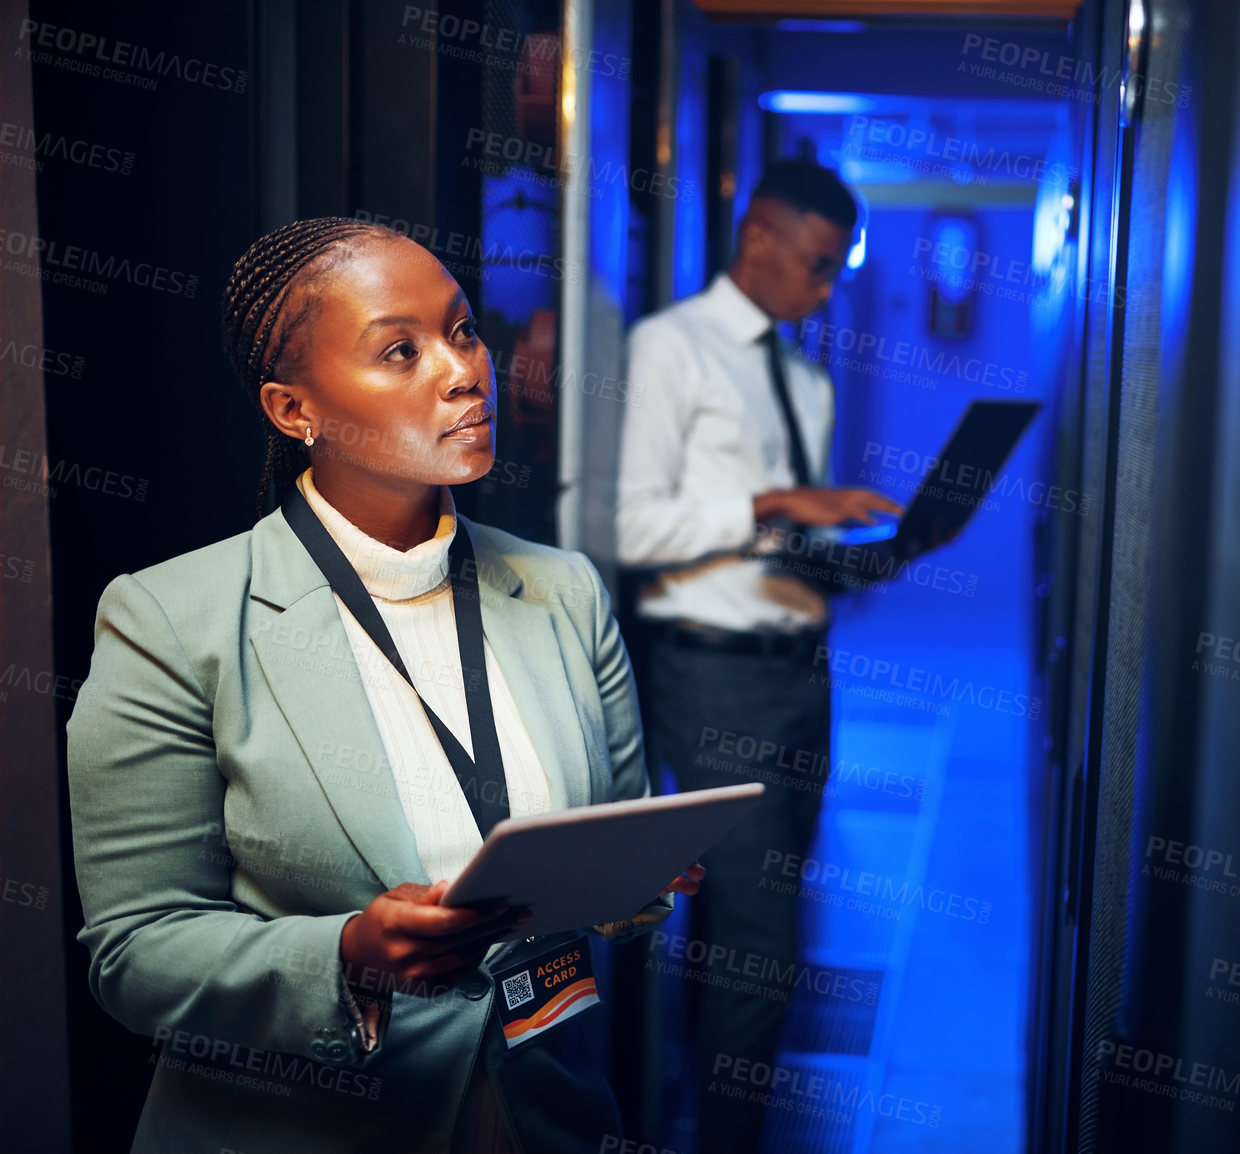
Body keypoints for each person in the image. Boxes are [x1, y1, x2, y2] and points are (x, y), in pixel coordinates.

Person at [65, 217, 701, 1154]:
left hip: (542, 1115)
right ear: (294, 411)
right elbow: (136, 953)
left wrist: (636, 876)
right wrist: (348, 957)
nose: (461, 370)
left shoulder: (563, 590)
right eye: (400, 351)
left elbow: (615, 865)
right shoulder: (172, 619)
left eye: (465, 329)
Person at [617, 160, 898, 1152]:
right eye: (817, 267)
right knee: (761, 943)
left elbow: (769, 540)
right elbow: (632, 524)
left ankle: (707, 1111)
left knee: (760, 917)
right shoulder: (670, 350)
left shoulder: (806, 378)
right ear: (759, 237)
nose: (826, 291)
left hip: (797, 672)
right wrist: (777, 505)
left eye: (837, 273)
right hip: (709, 674)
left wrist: (850, 556)